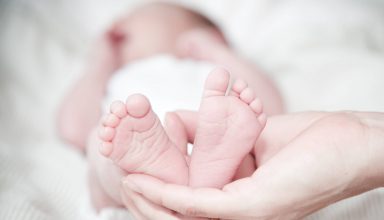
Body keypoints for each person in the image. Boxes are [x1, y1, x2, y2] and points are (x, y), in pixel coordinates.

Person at [57, 2, 283, 211]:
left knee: (249, 144)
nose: (117, 28)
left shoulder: (212, 69)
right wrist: (100, 63)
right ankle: (173, 174)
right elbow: (73, 130)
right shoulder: (114, 77)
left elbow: (271, 109)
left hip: (214, 155)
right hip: (130, 184)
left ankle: (204, 172)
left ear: (210, 35)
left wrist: (217, 51)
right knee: (101, 143)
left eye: (132, 21)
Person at [120, 110, 384, 219]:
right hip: (150, 128)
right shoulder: (119, 66)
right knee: (117, 162)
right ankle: (202, 173)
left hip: (166, 120)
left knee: (118, 174)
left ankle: (176, 176)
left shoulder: (221, 55)